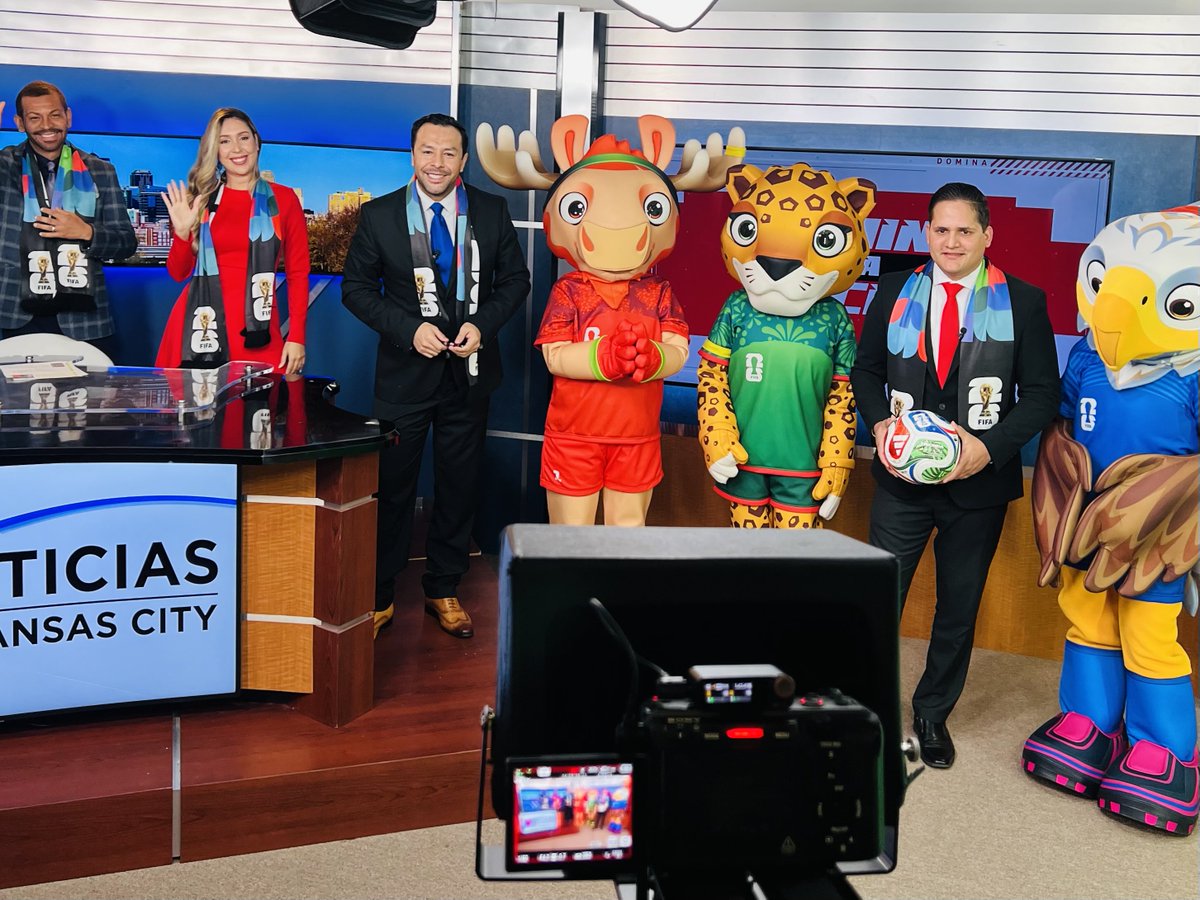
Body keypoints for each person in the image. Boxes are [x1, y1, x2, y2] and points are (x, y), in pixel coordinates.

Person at [850, 182, 1060, 769]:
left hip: (978, 487)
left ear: (987, 236)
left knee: (957, 607)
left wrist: (988, 450)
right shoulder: (893, 290)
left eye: (964, 231)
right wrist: (883, 430)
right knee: (878, 598)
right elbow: (866, 372)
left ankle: (932, 715)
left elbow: (1043, 395)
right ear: (927, 233)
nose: (951, 241)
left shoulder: (1024, 301)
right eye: (941, 230)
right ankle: (867, 708)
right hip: (901, 482)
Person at [342, 112, 529, 640]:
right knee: (392, 487)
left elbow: (515, 280)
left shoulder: (491, 211)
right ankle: (378, 594)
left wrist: (482, 325)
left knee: (459, 486)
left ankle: (443, 587)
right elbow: (355, 289)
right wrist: (408, 330)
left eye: (449, 153)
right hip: (405, 376)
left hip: (469, 375)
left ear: (464, 160)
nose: (438, 163)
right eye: (428, 151)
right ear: (412, 155)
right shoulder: (379, 216)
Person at [155, 107, 307, 374]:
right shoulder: (200, 201)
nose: (237, 148)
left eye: (244, 137)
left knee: (258, 412)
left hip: (257, 331)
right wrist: (181, 235)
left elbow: (298, 273)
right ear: (215, 151)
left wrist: (296, 336)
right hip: (198, 328)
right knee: (195, 414)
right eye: (224, 141)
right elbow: (178, 273)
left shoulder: (284, 199)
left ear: (257, 142)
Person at [0, 82, 136, 360]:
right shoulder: (4, 166)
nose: (46, 125)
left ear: (68, 117)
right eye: (34, 117)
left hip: (84, 322)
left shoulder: (100, 170)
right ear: (19, 123)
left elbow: (125, 242)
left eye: (54, 115)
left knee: (88, 402)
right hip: (13, 316)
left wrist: (87, 232)